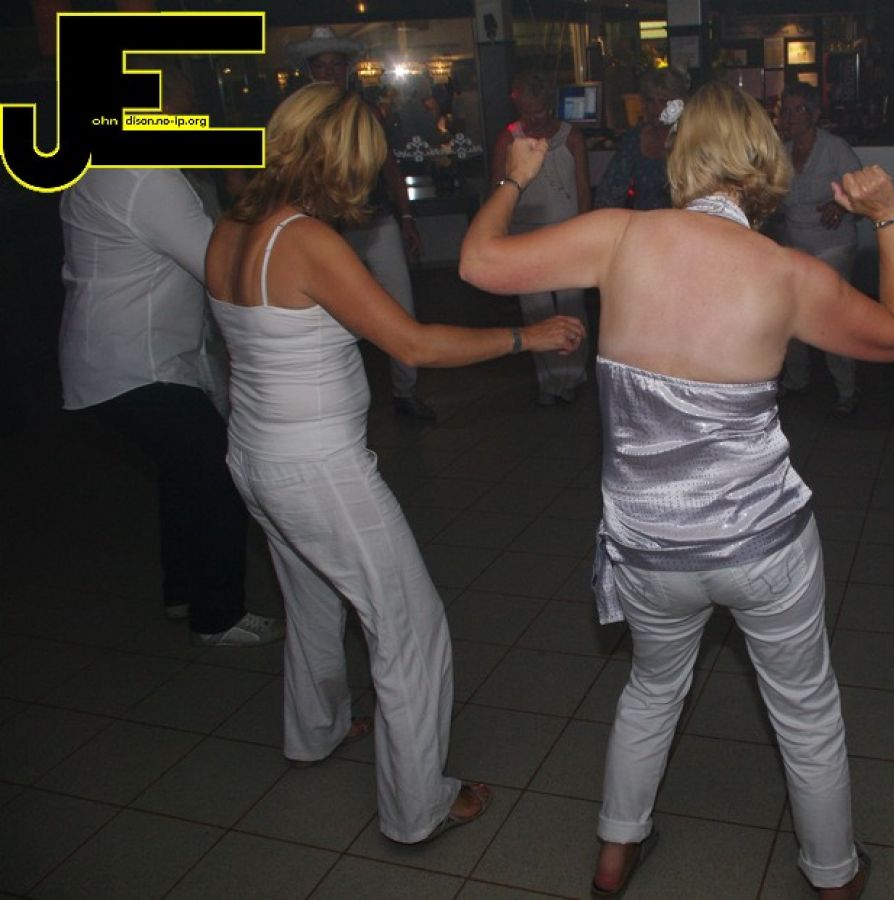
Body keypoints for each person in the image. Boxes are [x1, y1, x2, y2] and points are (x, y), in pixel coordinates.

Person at [460, 80, 894, 900]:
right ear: (762, 158)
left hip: (648, 547)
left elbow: (478, 263)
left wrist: (513, 177)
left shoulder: (620, 237)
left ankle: (616, 851)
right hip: (762, 545)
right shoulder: (785, 272)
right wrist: (888, 218)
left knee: (651, 689)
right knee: (805, 709)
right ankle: (834, 875)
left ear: (682, 153)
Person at [204, 83, 585, 844]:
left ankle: (314, 732)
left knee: (313, 599)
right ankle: (418, 808)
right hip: (319, 472)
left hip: (254, 454)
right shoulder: (305, 240)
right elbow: (412, 344)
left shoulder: (232, 227)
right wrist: (527, 339)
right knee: (409, 627)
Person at [57, 60, 283, 648]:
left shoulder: (104, 162)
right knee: (215, 470)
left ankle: (183, 591)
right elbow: (221, 267)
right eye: (184, 109)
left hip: (115, 356)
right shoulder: (147, 176)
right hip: (137, 363)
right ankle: (218, 615)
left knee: (184, 473)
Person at [286, 26, 436, 421]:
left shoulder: (367, 112)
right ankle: (338, 401)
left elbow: (390, 169)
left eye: (337, 65)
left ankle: (406, 392)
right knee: (333, 316)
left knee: (400, 308)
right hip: (328, 231)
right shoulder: (300, 118)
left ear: (347, 69)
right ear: (310, 71)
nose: (330, 73)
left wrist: (406, 217)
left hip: (377, 222)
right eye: (322, 66)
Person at [490, 70, 593, 406]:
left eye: (540, 112)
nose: (534, 119)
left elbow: (583, 187)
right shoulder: (508, 140)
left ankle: (573, 375)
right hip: (526, 235)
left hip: (567, 235)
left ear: (550, 106)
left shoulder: (571, 136)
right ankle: (550, 382)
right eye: (527, 112)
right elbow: (498, 193)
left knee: (572, 307)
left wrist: (587, 232)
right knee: (536, 312)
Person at [771, 81, 867, 416]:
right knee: (792, 317)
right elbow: (771, 196)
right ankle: (796, 379)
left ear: (814, 114)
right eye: (786, 110)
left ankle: (846, 389)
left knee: (831, 317)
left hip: (832, 245)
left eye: (798, 109)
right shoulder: (780, 152)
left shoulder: (834, 149)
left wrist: (841, 205)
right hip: (794, 244)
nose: (790, 116)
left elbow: (861, 190)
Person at [594, 67, 690, 211]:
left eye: (663, 101)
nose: (655, 108)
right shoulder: (635, 138)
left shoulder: (691, 137)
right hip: (644, 220)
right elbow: (610, 192)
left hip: (685, 219)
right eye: (650, 101)